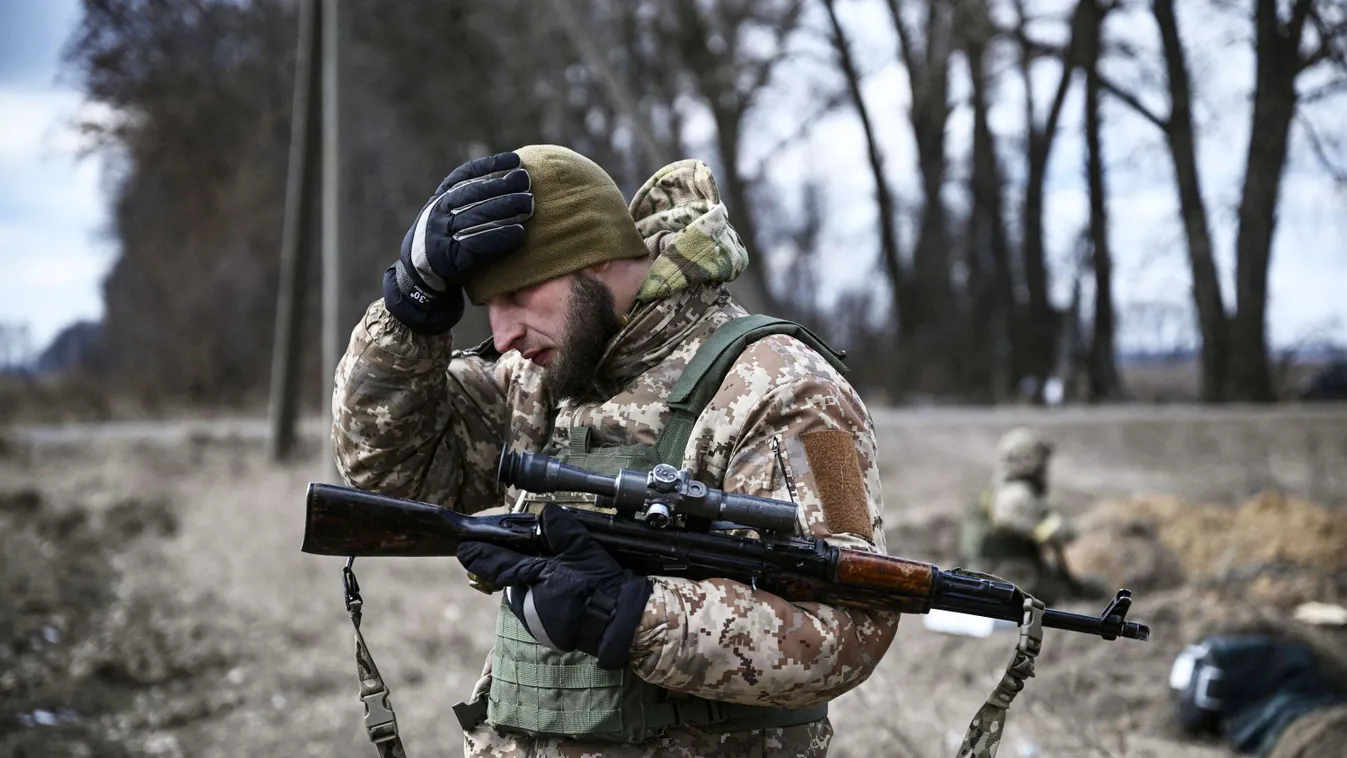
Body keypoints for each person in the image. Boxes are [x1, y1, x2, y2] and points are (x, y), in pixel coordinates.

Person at [332, 145, 898, 756]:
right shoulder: (536, 378)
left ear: (596, 258)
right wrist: (409, 313)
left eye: (518, 295)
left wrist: (631, 613)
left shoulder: (790, 387)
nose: (502, 335)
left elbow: (852, 623)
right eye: (486, 306)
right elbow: (388, 474)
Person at [960, 427, 1097, 605]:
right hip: (1011, 577)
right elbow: (1048, 532)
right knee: (1092, 591)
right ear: (1029, 462)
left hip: (994, 574)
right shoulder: (1016, 494)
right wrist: (1059, 528)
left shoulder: (999, 489)